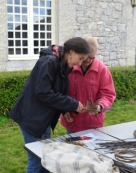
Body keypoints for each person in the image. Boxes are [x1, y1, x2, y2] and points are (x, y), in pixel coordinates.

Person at [9, 37, 90, 173]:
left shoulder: (64, 64)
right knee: (36, 161)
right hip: (32, 118)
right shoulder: (50, 61)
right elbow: (43, 93)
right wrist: (72, 103)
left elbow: (57, 91)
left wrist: (65, 109)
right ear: (71, 52)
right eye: (80, 58)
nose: (79, 63)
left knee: (46, 160)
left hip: (43, 118)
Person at [60, 36, 116, 133]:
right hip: (72, 121)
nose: (89, 60)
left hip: (94, 124)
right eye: (86, 58)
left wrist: (100, 106)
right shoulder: (70, 66)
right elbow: (61, 91)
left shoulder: (102, 70)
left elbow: (108, 94)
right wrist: (64, 109)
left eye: (92, 57)